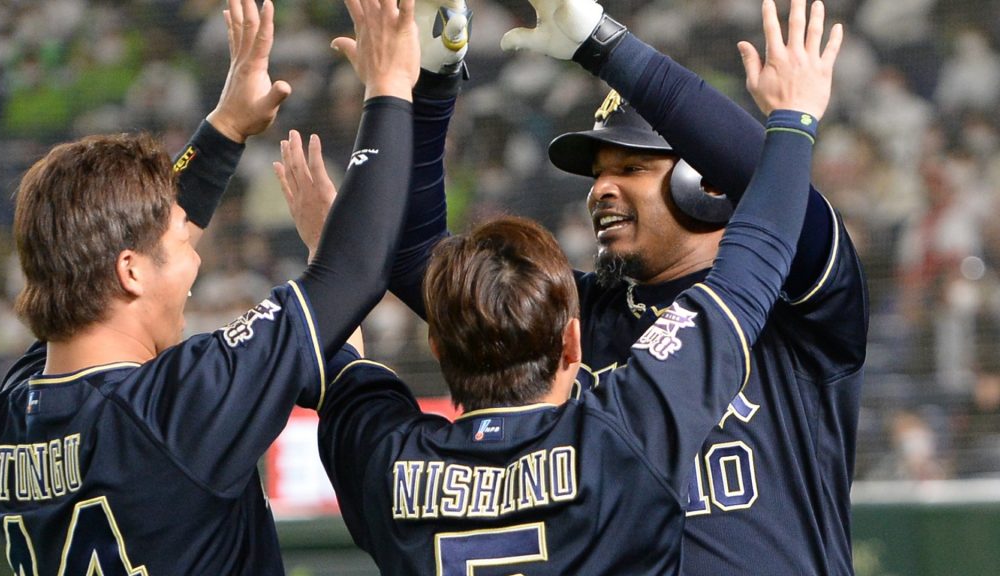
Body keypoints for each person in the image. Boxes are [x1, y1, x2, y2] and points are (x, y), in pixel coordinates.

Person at [313, 2, 842, 573]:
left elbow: (773, 187)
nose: (600, 191)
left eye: (630, 168)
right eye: (597, 174)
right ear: (569, 344)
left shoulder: (796, 294)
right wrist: (436, 82)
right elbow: (419, 256)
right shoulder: (561, 314)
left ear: (705, 181)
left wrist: (604, 45)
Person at [0, 0, 420, 573]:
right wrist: (390, 87)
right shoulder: (178, 407)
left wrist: (224, 130)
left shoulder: (11, 415)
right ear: (130, 271)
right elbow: (355, 271)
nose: (193, 267)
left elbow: (123, 240)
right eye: (185, 248)